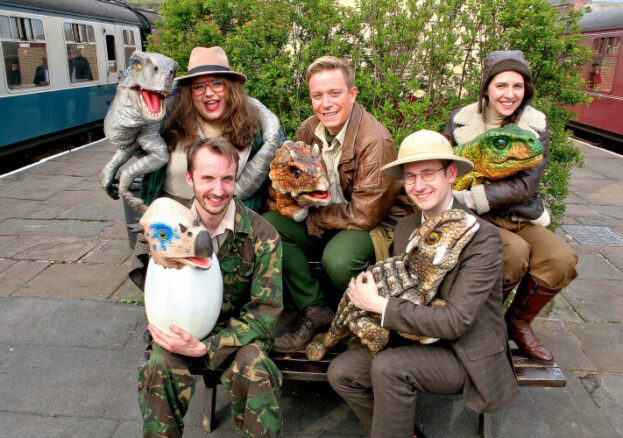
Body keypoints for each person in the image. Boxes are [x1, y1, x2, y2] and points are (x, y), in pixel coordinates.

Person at [327, 130, 518, 437]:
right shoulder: (406, 228)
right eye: (411, 177)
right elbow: (408, 289)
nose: (419, 185)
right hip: (415, 334)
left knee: (389, 368)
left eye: (428, 174)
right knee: (342, 373)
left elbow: (456, 322)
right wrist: (365, 293)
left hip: (463, 350)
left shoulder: (482, 237)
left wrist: (379, 305)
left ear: (451, 174)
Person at [138, 137, 284, 437]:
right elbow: (155, 285)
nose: (218, 190)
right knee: (157, 367)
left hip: (237, 337)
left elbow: (265, 314)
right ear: (189, 177)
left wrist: (208, 347)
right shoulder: (168, 230)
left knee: (256, 369)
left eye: (227, 179)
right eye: (207, 178)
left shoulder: (262, 235)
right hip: (182, 333)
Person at [263, 56, 406, 353]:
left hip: (373, 225)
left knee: (339, 259)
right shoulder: (309, 129)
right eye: (318, 96)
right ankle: (316, 310)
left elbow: (365, 214)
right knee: (269, 228)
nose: (326, 104)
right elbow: (298, 175)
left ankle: (364, 322)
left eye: (335, 93)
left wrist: (314, 220)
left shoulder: (375, 141)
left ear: (352, 95)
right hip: (330, 217)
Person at [443, 50, 578, 364]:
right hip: (478, 218)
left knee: (561, 258)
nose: (510, 94)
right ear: (487, 88)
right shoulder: (461, 120)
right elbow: (448, 165)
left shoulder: (534, 125)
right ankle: (479, 324)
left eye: (518, 86)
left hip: (520, 213)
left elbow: (526, 185)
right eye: (501, 85)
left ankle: (517, 322)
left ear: (526, 90)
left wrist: (475, 195)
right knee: (512, 253)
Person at [140, 46, 282, 213]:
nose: (208, 92)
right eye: (199, 86)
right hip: (173, 217)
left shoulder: (254, 130)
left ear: (230, 88)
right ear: (189, 93)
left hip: (231, 220)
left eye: (216, 84)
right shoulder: (170, 124)